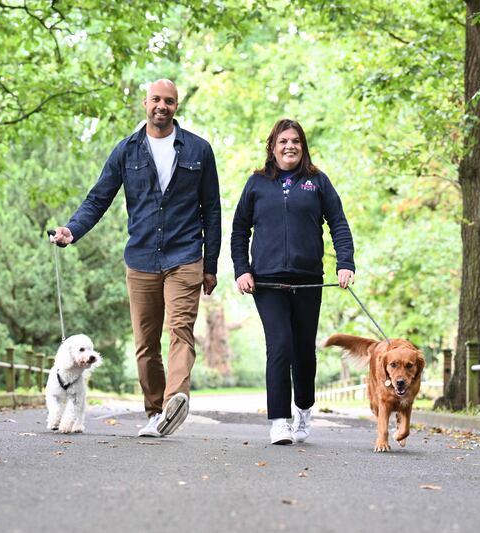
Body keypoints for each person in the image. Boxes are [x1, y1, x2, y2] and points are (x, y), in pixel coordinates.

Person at [50, 79, 221, 438]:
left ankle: (176, 399)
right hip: (141, 256)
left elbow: (213, 211)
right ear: (145, 103)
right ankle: (156, 412)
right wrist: (72, 230)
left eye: (169, 101)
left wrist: (210, 265)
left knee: (180, 331)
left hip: (186, 254)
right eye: (156, 99)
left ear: (177, 107)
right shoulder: (126, 151)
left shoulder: (199, 150)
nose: (162, 106)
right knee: (145, 343)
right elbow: (98, 199)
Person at [230, 118, 355, 445]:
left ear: (303, 146)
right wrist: (242, 269)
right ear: (272, 147)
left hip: (308, 280)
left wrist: (345, 263)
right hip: (267, 282)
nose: (290, 146)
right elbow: (240, 230)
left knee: (303, 352)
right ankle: (279, 421)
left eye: (296, 141)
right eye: (283, 141)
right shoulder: (256, 184)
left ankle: (303, 408)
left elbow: (338, 223)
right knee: (280, 346)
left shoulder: (317, 181)